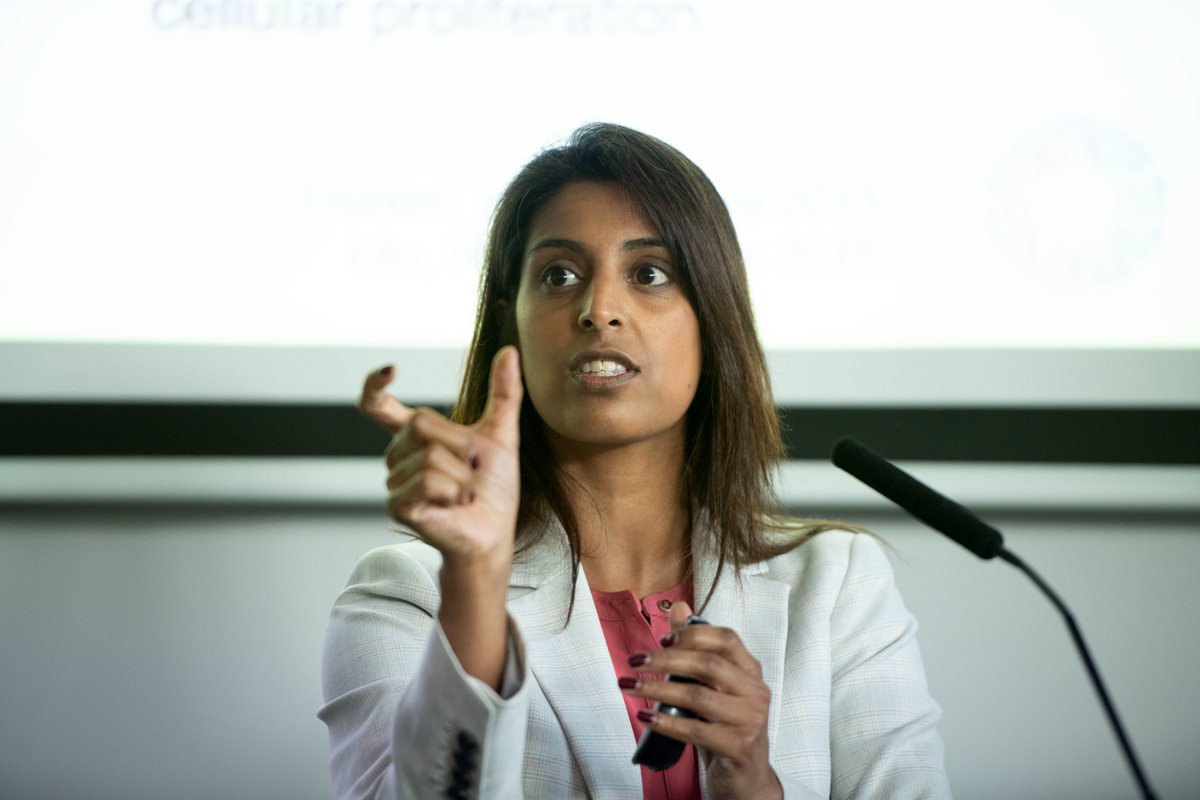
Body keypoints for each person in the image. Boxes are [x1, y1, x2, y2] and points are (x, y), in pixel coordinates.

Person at [319, 123, 951, 799]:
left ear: (712, 318)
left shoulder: (836, 587)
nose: (599, 310)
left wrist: (749, 779)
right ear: (512, 325)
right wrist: (475, 574)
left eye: (649, 273)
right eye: (559, 275)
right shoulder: (406, 592)